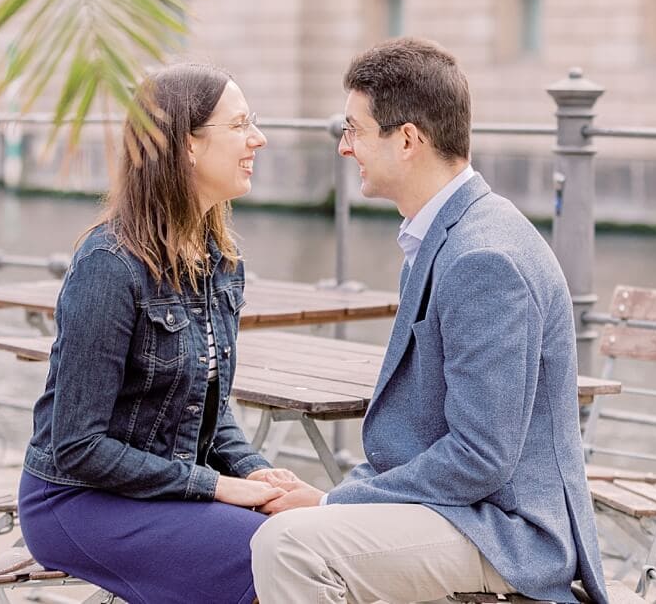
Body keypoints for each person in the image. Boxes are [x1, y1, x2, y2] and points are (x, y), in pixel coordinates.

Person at [250, 38, 610, 604]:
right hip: (466, 512)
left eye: (355, 130)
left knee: (291, 546)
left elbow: (480, 457)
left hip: (507, 532)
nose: (344, 148)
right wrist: (336, 499)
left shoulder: (482, 257)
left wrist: (329, 503)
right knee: (281, 534)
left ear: (409, 140)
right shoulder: (446, 234)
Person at [17, 62, 293, 604]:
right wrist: (217, 486)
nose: (257, 138)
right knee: (273, 551)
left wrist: (259, 475)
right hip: (76, 500)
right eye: (240, 125)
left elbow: (211, 416)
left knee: (299, 532)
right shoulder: (109, 265)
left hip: (160, 490)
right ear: (187, 145)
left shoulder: (221, 262)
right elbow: (78, 447)